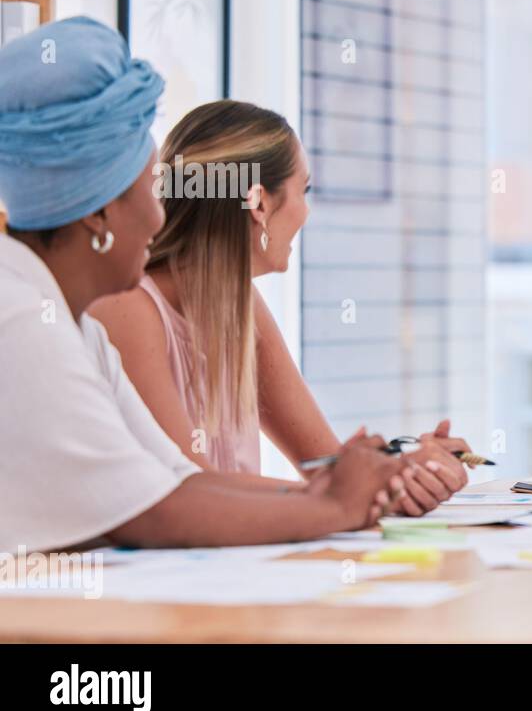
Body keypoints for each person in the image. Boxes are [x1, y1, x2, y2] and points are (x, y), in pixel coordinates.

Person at [0, 17, 406, 552]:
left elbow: (179, 480)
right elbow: (152, 514)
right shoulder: (24, 320)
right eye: (148, 189)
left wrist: (350, 492)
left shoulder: (72, 326)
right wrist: (335, 504)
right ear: (98, 213)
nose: (157, 215)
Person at [89, 100, 474, 516]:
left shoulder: (240, 305)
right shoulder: (129, 309)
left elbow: (326, 468)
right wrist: (364, 485)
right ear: (258, 205)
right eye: (303, 191)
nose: (306, 213)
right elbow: (192, 490)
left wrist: (408, 470)